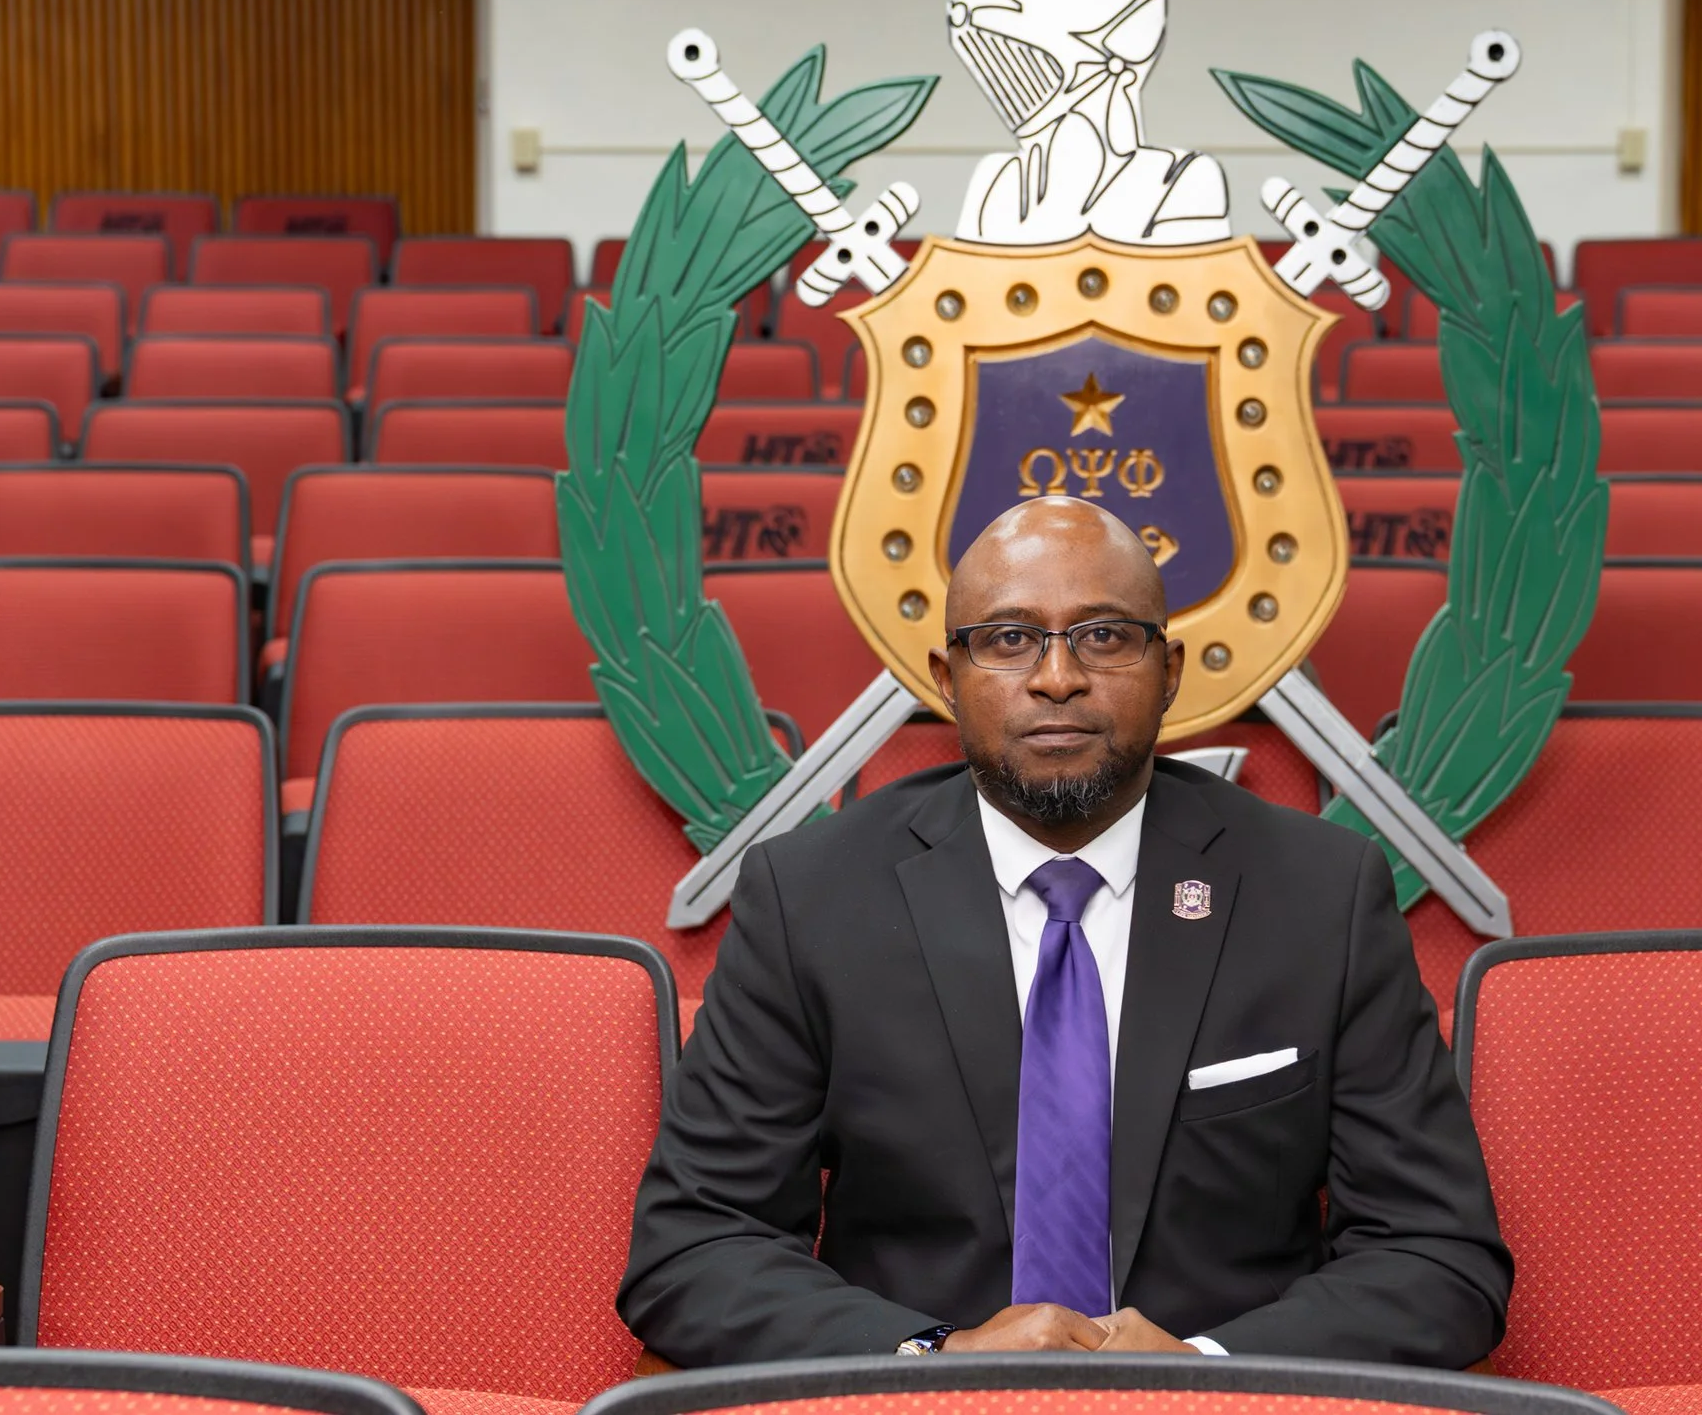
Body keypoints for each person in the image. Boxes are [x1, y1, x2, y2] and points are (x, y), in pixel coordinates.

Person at [618, 497, 1510, 1365]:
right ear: (946, 680)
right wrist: (934, 1356)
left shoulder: (1321, 895)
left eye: (1106, 635)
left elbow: (1438, 1256)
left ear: (1171, 671)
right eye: (1007, 640)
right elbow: (696, 1248)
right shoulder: (809, 897)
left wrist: (1209, 1366)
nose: (1056, 677)